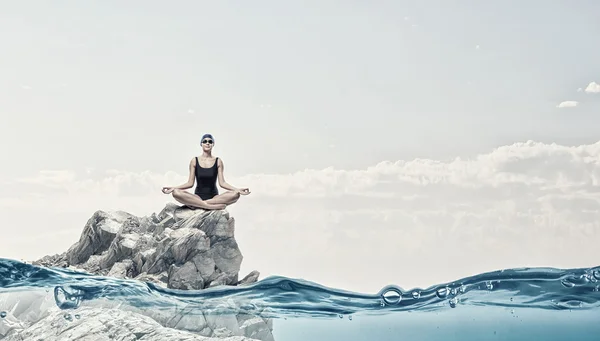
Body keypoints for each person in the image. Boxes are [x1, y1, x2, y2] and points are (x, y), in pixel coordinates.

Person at [161, 134, 250, 210]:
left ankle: (198, 204)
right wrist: (173, 188)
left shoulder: (218, 161)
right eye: (205, 141)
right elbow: (190, 183)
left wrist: (237, 189)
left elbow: (222, 183)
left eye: (210, 141)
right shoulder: (194, 160)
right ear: (201, 144)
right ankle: (209, 206)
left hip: (215, 198)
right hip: (197, 197)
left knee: (235, 194)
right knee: (176, 192)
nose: (207, 143)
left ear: (213, 144)